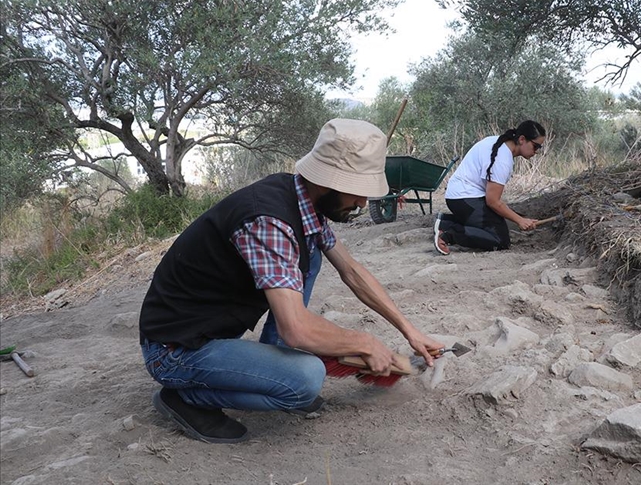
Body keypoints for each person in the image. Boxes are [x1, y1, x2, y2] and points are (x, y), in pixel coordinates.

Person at [139, 118, 444, 444]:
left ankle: (274, 361)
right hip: (175, 349)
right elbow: (296, 329)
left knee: (311, 252)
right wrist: (365, 344)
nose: (362, 203)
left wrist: (408, 330)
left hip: (204, 328)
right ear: (331, 181)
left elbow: (351, 271)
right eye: (358, 192)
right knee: (305, 380)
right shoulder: (270, 220)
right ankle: (185, 398)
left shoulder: (301, 199)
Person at [434, 120, 546, 255]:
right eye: (536, 147)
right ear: (522, 139)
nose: (536, 152)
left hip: (458, 195)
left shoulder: (497, 142)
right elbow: (492, 201)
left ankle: (444, 221)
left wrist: (519, 219)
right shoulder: (502, 159)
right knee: (500, 240)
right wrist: (520, 220)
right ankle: (449, 234)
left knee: (499, 223)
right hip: (465, 198)